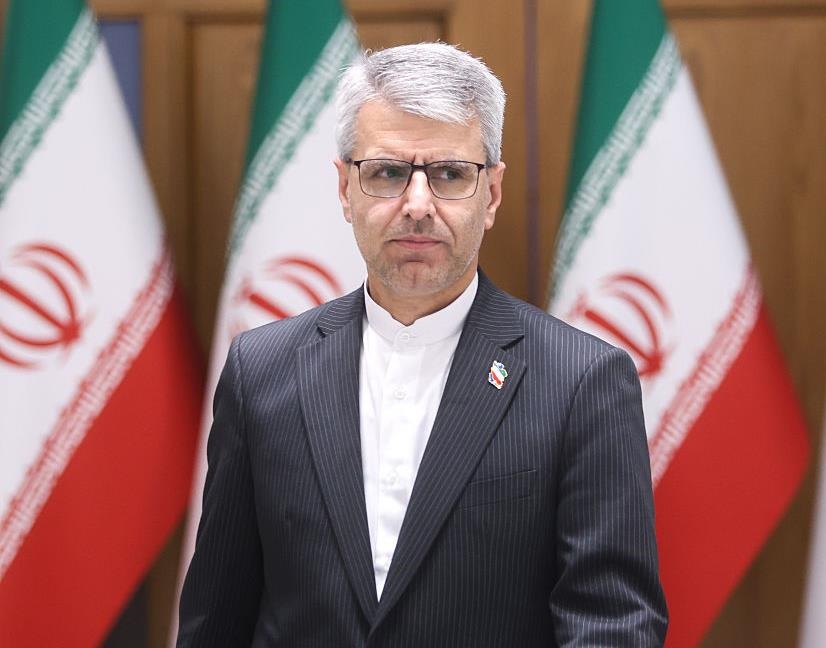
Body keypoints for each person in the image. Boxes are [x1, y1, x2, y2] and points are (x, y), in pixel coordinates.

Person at [177, 42, 667, 647]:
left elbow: (612, 626)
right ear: (345, 188)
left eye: (450, 174)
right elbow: (217, 618)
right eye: (386, 173)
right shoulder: (262, 371)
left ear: (491, 194)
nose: (416, 205)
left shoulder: (582, 381)